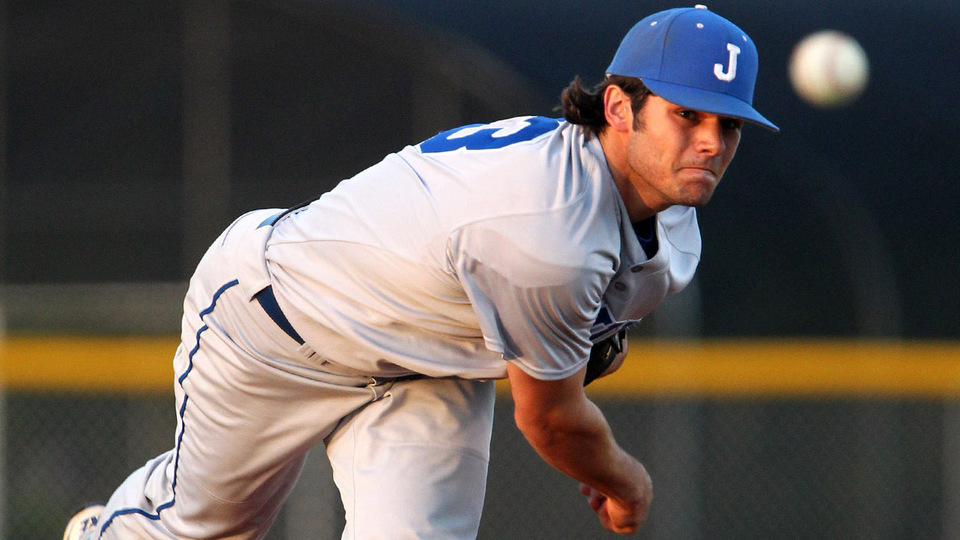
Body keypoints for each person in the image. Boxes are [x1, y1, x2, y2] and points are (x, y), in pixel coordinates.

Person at [65, 5, 777, 539]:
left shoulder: (668, 223)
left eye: (730, 124)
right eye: (689, 115)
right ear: (620, 108)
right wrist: (624, 479)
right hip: (277, 326)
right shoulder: (546, 228)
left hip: (427, 371)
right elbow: (550, 418)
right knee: (204, 531)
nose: (711, 143)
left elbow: (579, 350)